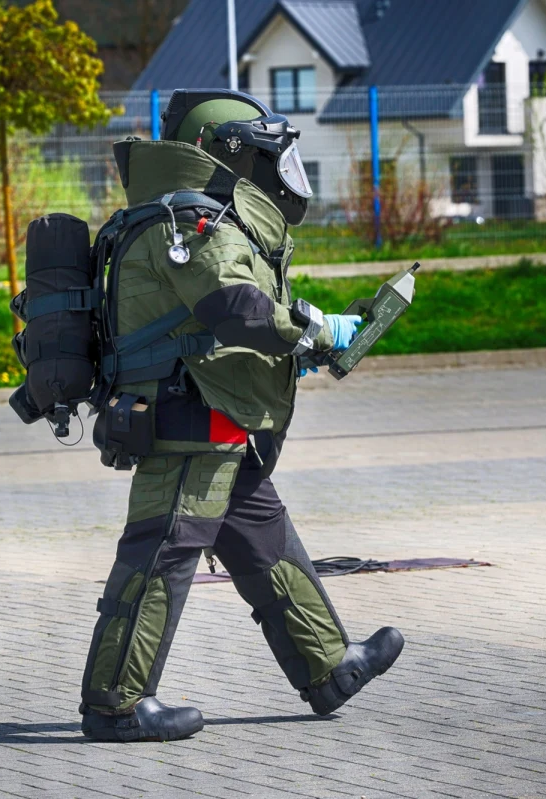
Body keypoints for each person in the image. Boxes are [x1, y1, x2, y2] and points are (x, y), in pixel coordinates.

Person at [79, 90, 404, 743]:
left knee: (265, 543)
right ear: (230, 156)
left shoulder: (198, 219)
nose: (277, 169)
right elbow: (232, 304)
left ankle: (327, 665)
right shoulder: (187, 223)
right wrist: (303, 328)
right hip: (187, 423)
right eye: (264, 154)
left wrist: (301, 339)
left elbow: (221, 316)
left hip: (218, 419)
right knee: (161, 556)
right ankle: (114, 701)